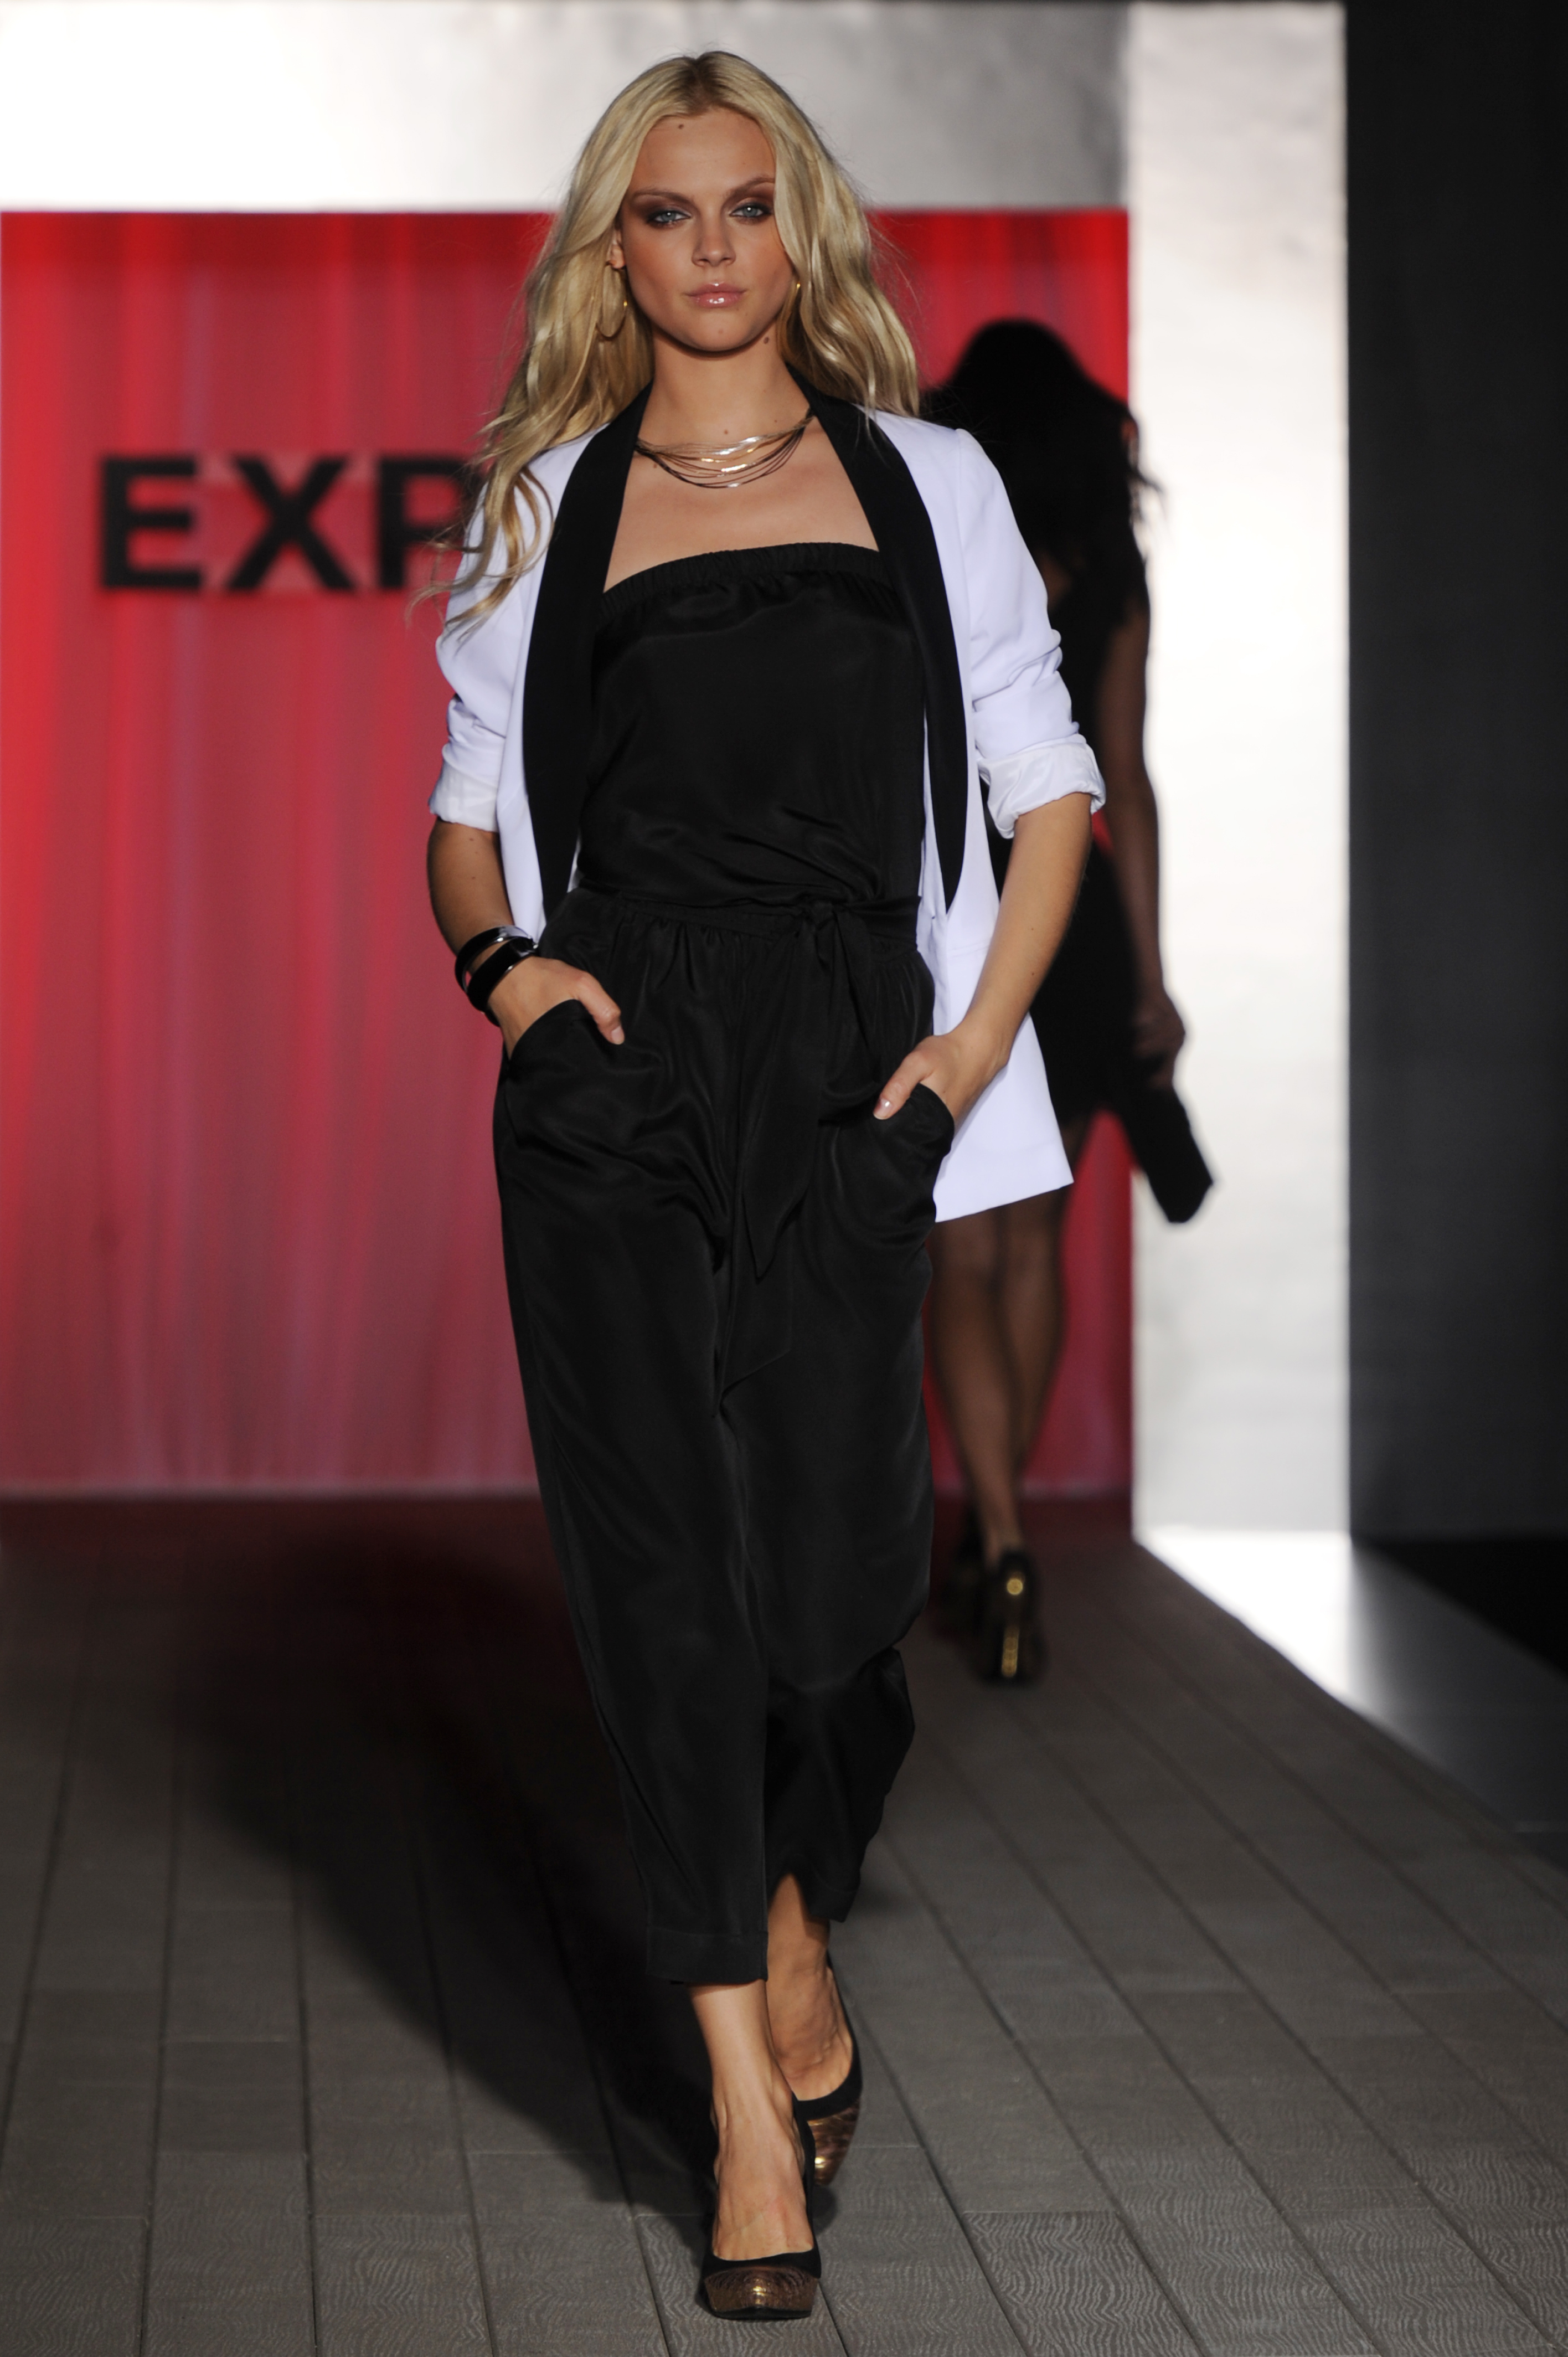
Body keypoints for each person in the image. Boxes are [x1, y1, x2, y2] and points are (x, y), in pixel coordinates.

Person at [424, 61, 1101, 2321]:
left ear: (797, 226)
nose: (710, 248)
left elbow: (1049, 793)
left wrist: (964, 1056)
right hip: (614, 1075)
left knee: (831, 1590)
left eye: (745, 205)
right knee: (660, 1583)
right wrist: (511, 979)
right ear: (611, 250)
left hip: (847, 1068)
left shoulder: (931, 481)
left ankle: (790, 1907)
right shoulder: (547, 502)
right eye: (665, 212)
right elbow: (463, 821)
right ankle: (736, 2101)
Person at [925, 322, 1210, 1684]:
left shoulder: (928, 525)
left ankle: (995, 1532)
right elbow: (1124, 781)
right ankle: (1007, 1535)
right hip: (1075, 919)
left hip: (956, 913)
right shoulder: (1110, 562)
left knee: (960, 1256)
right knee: (1034, 1246)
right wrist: (1150, 977)